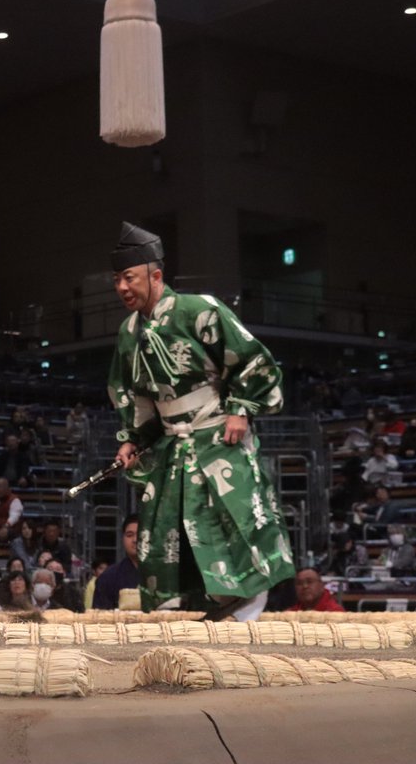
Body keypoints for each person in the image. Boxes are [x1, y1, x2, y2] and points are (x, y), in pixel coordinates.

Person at [108, 222, 293, 618]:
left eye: (129, 278)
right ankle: (192, 603)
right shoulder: (128, 332)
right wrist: (133, 439)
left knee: (231, 518)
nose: (122, 288)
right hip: (172, 441)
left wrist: (240, 408)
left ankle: (246, 598)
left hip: (215, 433)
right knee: (167, 526)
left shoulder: (200, 309)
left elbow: (251, 357)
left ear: (155, 276)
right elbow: (134, 394)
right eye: (117, 280)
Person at [93, 515, 143, 611]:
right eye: (129, 535)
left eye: (140, 534)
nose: (135, 540)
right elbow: (100, 619)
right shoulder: (108, 577)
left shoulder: (165, 575)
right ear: (123, 539)